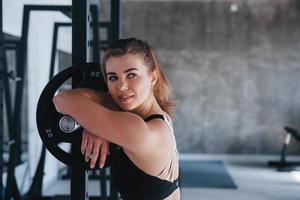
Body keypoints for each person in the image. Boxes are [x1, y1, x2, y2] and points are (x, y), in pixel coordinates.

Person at [53, 38, 180, 200]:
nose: (121, 86)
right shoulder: (160, 120)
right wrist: (98, 120)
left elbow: (62, 100)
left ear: (153, 78)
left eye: (131, 75)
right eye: (113, 77)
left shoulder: (138, 130)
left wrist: (94, 120)